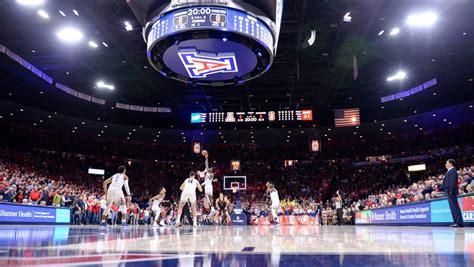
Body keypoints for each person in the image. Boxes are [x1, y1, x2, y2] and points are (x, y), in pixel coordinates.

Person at [442, 159, 464, 227]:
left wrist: (451, 190)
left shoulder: (453, 171)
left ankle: (459, 222)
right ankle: (456, 222)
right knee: (453, 207)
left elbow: (453, 182)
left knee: (455, 207)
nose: (445, 164)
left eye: (446, 163)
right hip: (449, 192)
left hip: (451, 192)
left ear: (451, 164)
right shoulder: (449, 171)